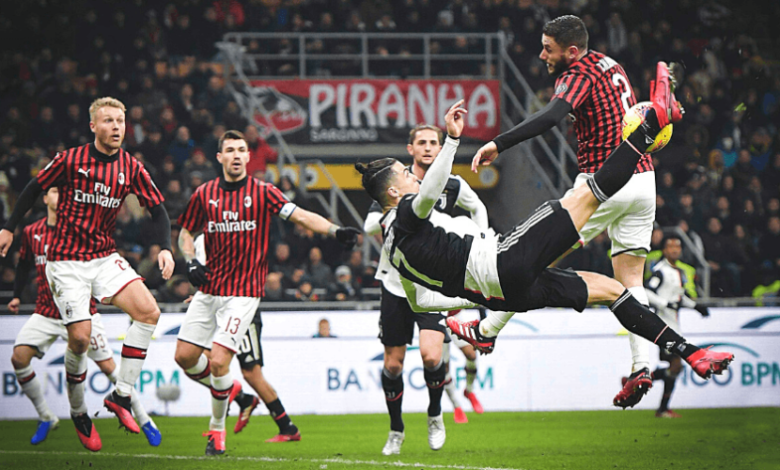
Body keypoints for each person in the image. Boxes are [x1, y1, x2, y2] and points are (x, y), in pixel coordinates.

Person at [358, 92, 732, 407]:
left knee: (612, 290)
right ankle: (649, 129)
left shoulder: (394, 252)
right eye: (405, 175)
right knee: (591, 192)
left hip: (504, 295)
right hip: (503, 261)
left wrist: (473, 304)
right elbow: (428, 191)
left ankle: (690, 352)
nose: (412, 175)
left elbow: (422, 304)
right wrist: (452, 140)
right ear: (393, 192)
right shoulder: (407, 211)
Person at [472, 16, 670, 408]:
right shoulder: (611, 65)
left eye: (549, 48)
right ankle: (641, 364)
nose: (542, 55)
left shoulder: (578, 73)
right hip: (644, 181)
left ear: (572, 51)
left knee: (533, 256)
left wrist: (499, 143)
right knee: (630, 279)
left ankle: (487, 328)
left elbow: (550, 117)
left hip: (602, 184)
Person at [0, 97, 175, 452]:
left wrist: (167, 247)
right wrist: (9, 228)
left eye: (121, 121)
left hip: (103, 257)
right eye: (108, 120)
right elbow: (34, 188)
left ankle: (122, 397)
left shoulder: (131, 167)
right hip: (64, 263)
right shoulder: (70, 160)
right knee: (79, 339)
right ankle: (78, 412)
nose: (116, 127)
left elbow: (158, 211)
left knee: (149, 312)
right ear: (93, 126)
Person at [174, 129, 360, 455]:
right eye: (229, 149)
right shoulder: (205, 193)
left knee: (219, 362)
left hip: (243, 293)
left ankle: (217, 432)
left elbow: (300, 214)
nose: (235, 155)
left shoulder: (263, 192)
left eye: (241, 150)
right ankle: (238, 394)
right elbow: (186, 232)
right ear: (219, 157)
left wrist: (334, 230)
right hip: (209, 289)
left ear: (248, 157)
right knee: (184, 357)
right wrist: (189, 262)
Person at [364, 122, 489, 455]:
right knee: (392, 365)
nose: (429, 147)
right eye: (422, 142)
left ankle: (435, 414)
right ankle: (396, 429)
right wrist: (390, 224)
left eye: (435, 142)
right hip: (394, 284)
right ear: (411, 149)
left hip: (431, 284)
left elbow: (477, 206)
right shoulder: (395, 184)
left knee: (433, 355)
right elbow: (368, 223)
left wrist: (482, 241)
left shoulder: (449, 184)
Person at [7, 187, 161, 446]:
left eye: (62, 192)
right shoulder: (33, 232)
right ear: (45, 198)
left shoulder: (82, 228)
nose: (59, 196)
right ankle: (47, 416)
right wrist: (16, 295)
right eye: (54, 191)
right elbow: (23, 265)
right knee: (18, 358)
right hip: (47, 312)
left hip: (84, 313)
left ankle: (145, 419)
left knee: (111, 370)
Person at [640, 235, 710, 418]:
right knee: (676, 364)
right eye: (671, 246)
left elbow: (679, 298)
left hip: (675, 326)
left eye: (678, 247)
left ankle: (652, 395)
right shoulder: (660, 271)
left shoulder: (679, 272)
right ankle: (656, 401)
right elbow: (647, 291)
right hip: (663, 327)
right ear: (664, 250)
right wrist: (664, 303)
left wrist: (696, 307)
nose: (675, 250)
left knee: (675, 367)